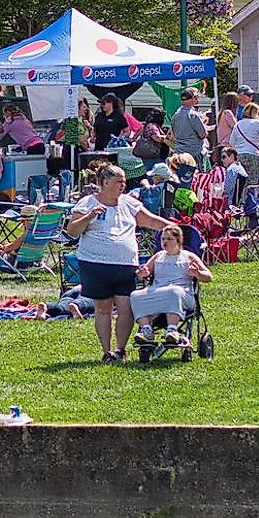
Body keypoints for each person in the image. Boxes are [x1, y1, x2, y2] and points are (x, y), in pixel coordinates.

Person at [64, 162, 174, 364]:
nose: (123, 185)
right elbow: (72, 231)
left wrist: (175, 227)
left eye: (124, 181)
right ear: (105, 182)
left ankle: (120, 349)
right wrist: (90, 216)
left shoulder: (129, 203)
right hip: (95, 264)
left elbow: (151, 221)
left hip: (125, 265)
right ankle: (106, 351)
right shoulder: (88, 203)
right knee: (103, 308)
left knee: (126, 308)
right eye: (119, 181)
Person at [129, 222, 211, 355]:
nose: (165, 242)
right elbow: (143, 273)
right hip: (158, 291)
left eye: (169, 239)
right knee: (135, 295)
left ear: (178, 240)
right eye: (163, 239)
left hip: (183, 294)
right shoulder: (158, 256)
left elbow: (208, 276)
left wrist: (197, 273)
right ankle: (146, 330)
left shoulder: (188, 256)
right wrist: (142, 273)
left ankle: (172, 329)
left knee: (173, 291)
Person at [171, 93, 207, 167]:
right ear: (192, 99)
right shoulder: (193, 115)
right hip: (194, 153)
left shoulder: (175, 116)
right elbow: (203, 134)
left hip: (179, 153)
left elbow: (173, 134)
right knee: (196, 176)